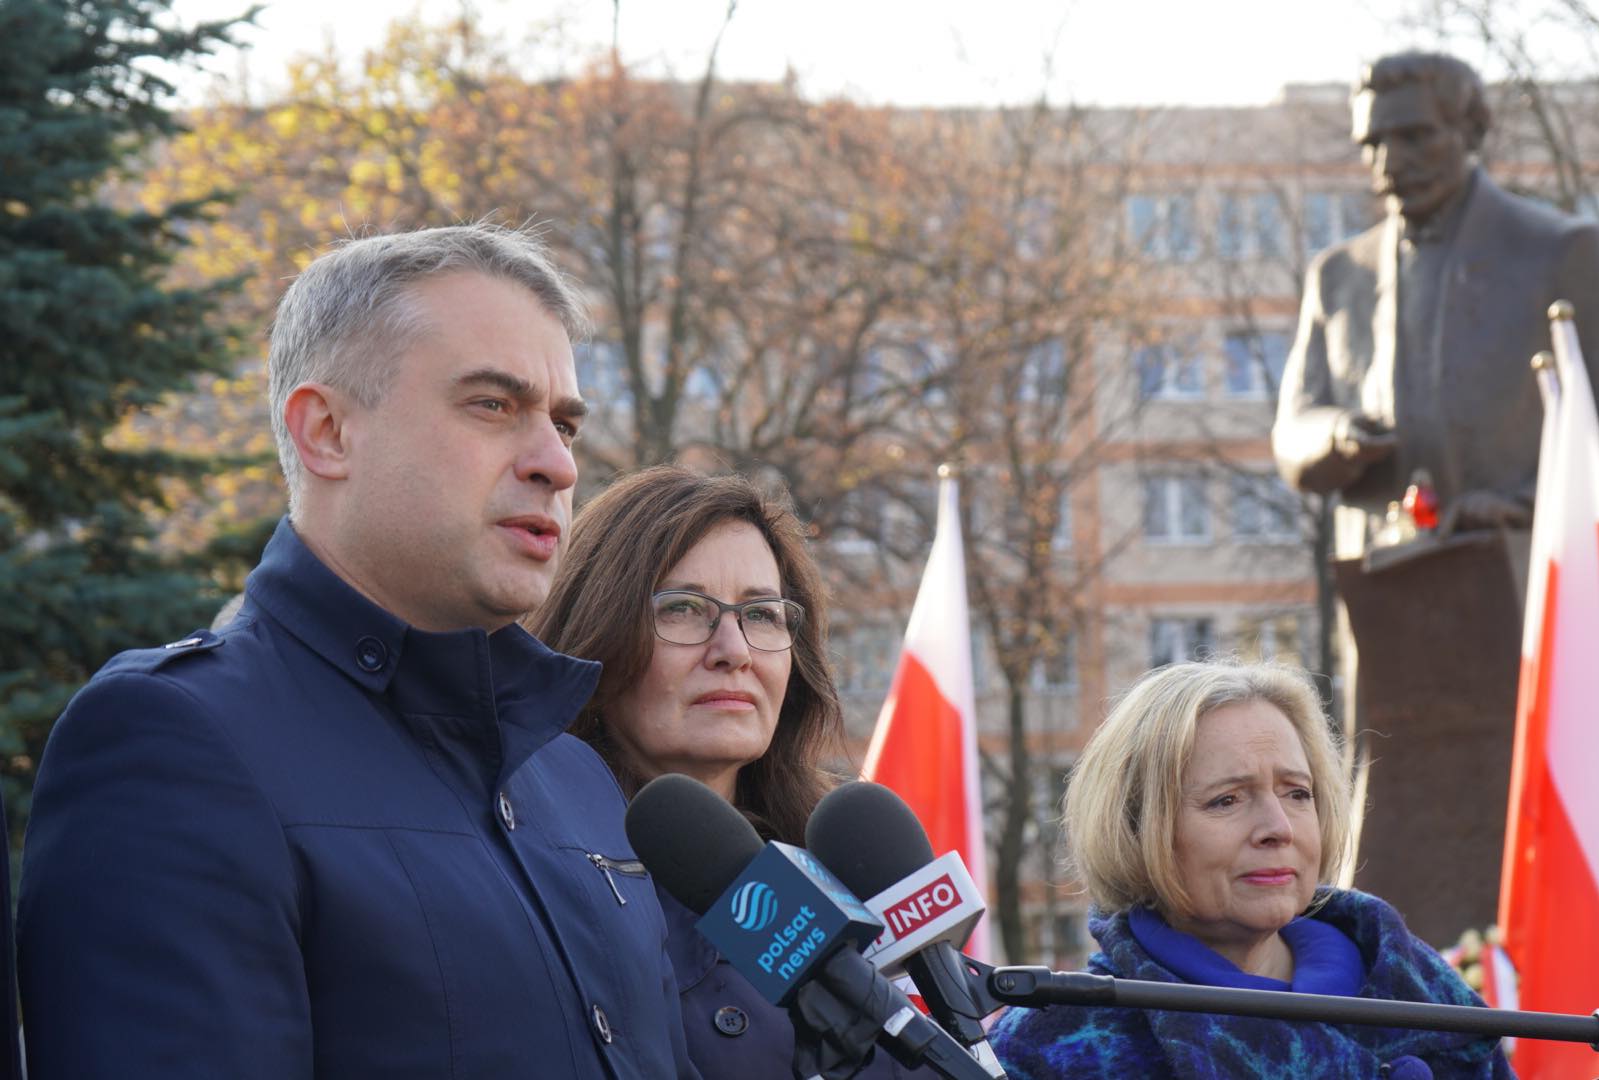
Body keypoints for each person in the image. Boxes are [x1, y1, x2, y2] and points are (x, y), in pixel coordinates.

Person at [17, 224, 695, 1078]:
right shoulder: (176, 741)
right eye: (493, 404)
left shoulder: (575, 779)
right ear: (327, 432)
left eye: (565, 423)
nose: (557, 465)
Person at [1270, 51, 1599, 940]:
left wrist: (1533, 497)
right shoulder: (1337, 276)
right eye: (1374, 142)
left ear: (1470, 131)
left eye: (1414, 135)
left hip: (1533, 593)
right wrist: (1335, 440)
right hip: (1397, 613)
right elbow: (1291, 429)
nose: (1390, 161)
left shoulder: (1562, 252)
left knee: (1577, 837)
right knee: (1393, 840)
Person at [528, 465, 931, 1079]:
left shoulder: (842, 877)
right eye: (684, 608)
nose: (734, 651)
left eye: (762, 614)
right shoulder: (531, 883)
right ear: (597, 633)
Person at [987, 660, 1514, 1079]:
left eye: (1298, 793)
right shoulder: (1053, 1042)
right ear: (1136, 826)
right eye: (1227, 800)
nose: (1277, 826)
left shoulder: (1426, 995)